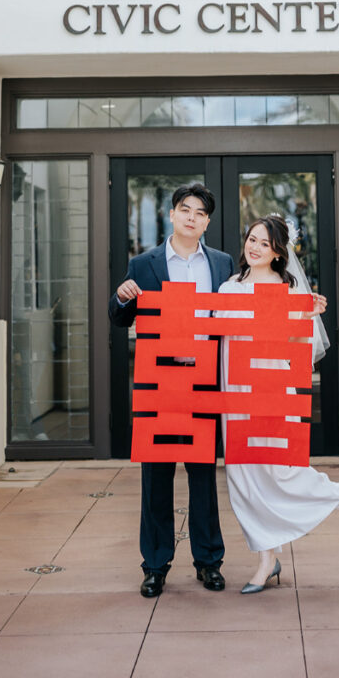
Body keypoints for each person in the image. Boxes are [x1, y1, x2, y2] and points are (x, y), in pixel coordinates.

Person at [217, 215, 339, 593]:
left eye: (264, 244)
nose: (254, 247)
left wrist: (305, 316)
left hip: (272, 388)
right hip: (234, 394)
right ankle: (267, 560)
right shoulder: (227, 287)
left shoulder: (289, 292)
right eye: (251, 239)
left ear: (278, 252)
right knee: (244, 480)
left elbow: (301, 353)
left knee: (281, 471)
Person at [108, 183, 234, 599]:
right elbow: (119, 316)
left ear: (207, 222)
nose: (191, 217)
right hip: (159, 384)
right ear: (172, 214)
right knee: (156, 478)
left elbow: (239, 313)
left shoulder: (221, 263)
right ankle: (155, 565)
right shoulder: (143, 264)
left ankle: (208, 562)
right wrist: (122, 296)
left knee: (203, 477)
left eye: (200, 212)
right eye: (185, 209)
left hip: (204, 382)